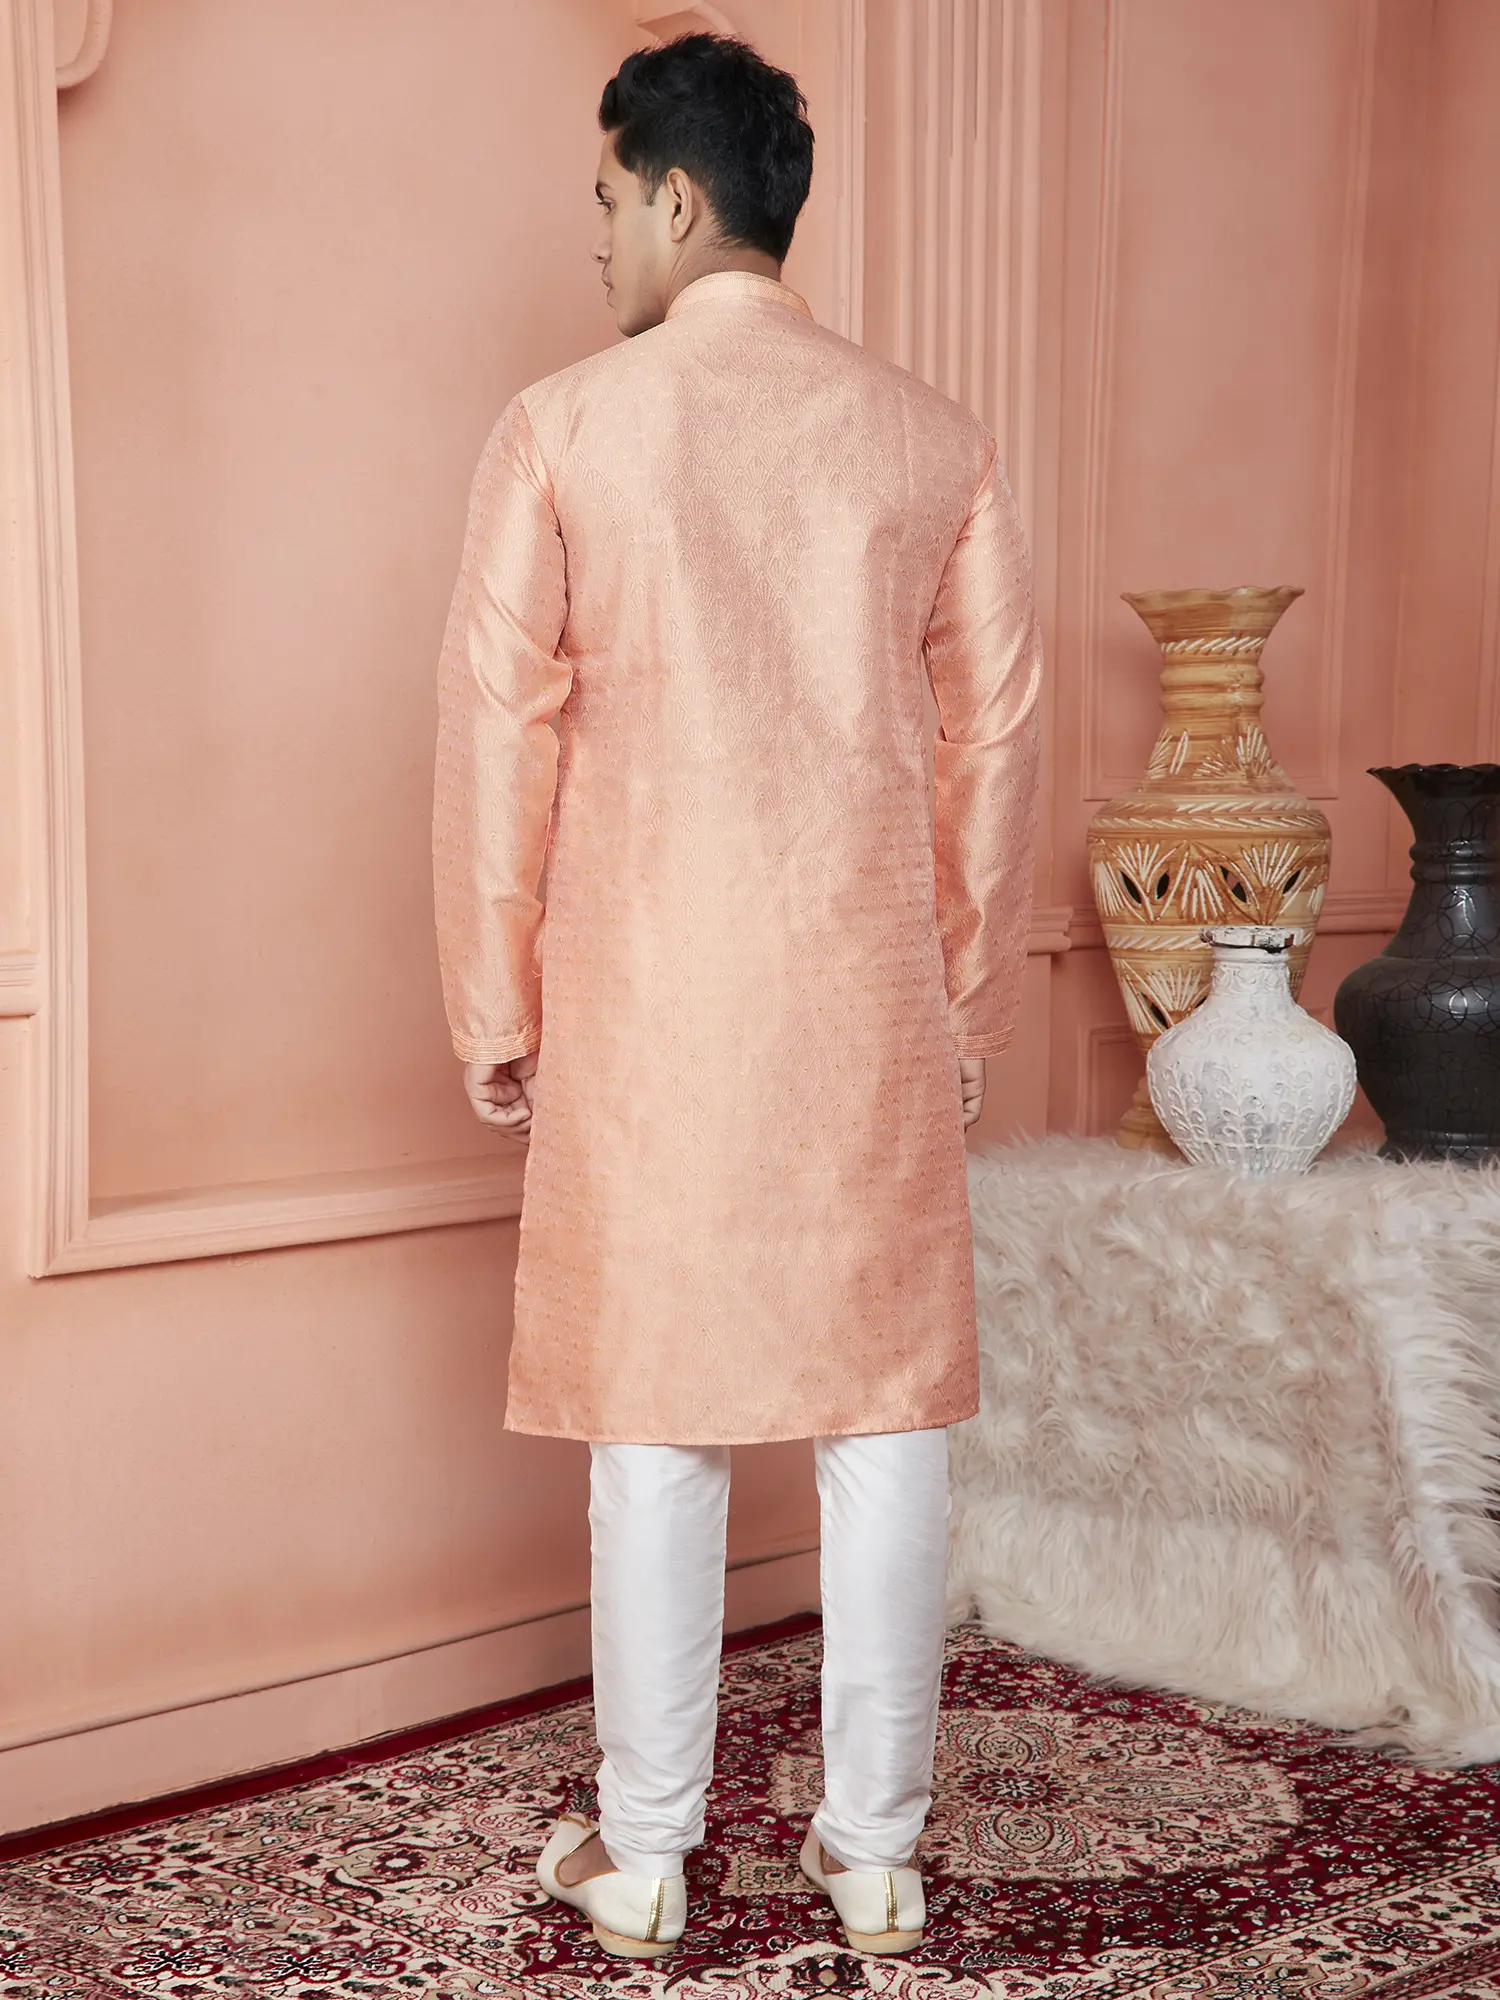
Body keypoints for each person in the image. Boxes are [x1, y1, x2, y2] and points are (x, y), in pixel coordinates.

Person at [431, 32, 1043, 1963]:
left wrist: (494, 1004)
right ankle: (876, 1853)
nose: (597, 234)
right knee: (886, 1419)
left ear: (678, 199)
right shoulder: (932, 437)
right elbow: (995, 744)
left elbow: (500, 732)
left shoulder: (563, 427)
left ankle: (645, 1852)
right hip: (866, 998)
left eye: (608, 198)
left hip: (648, 1002)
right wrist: (963, 1003)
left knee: (655, 1422)